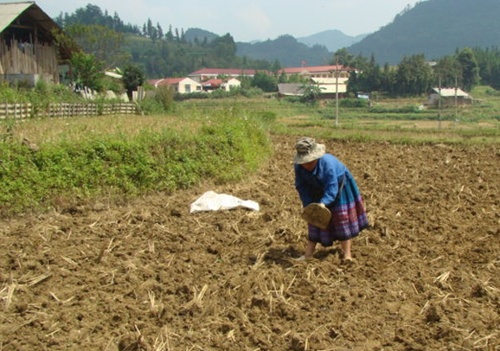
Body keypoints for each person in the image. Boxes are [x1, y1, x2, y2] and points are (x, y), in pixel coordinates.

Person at [293, 137, 368, 261]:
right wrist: (308, 204)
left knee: (341, 218)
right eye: (304, 162)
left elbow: (332, 188)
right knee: (314, 218)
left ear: (316, 157)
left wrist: (323, 204)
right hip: (316, 188)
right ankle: (308, 254)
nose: (306, 165)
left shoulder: (327, 165)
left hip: (339, 186)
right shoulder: (299, 167)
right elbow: (301, 186)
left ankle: (347, 255)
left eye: (309, 161)